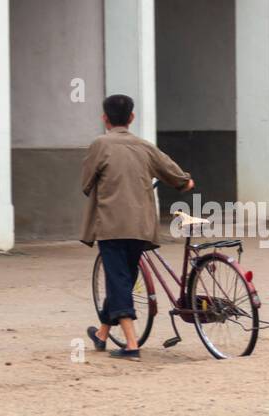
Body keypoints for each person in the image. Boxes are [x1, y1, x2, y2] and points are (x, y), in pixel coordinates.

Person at [80, 94, 193, 360]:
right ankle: (102, 335)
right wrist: (185, 183)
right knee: (124, 279)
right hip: (141, 227)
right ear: (131, 118)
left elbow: (85, 183)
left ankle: (131, 345)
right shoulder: (145, 146)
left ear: (104, 119)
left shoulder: (100, 144)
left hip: (111, 225)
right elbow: (178, 177)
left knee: (118, 280)